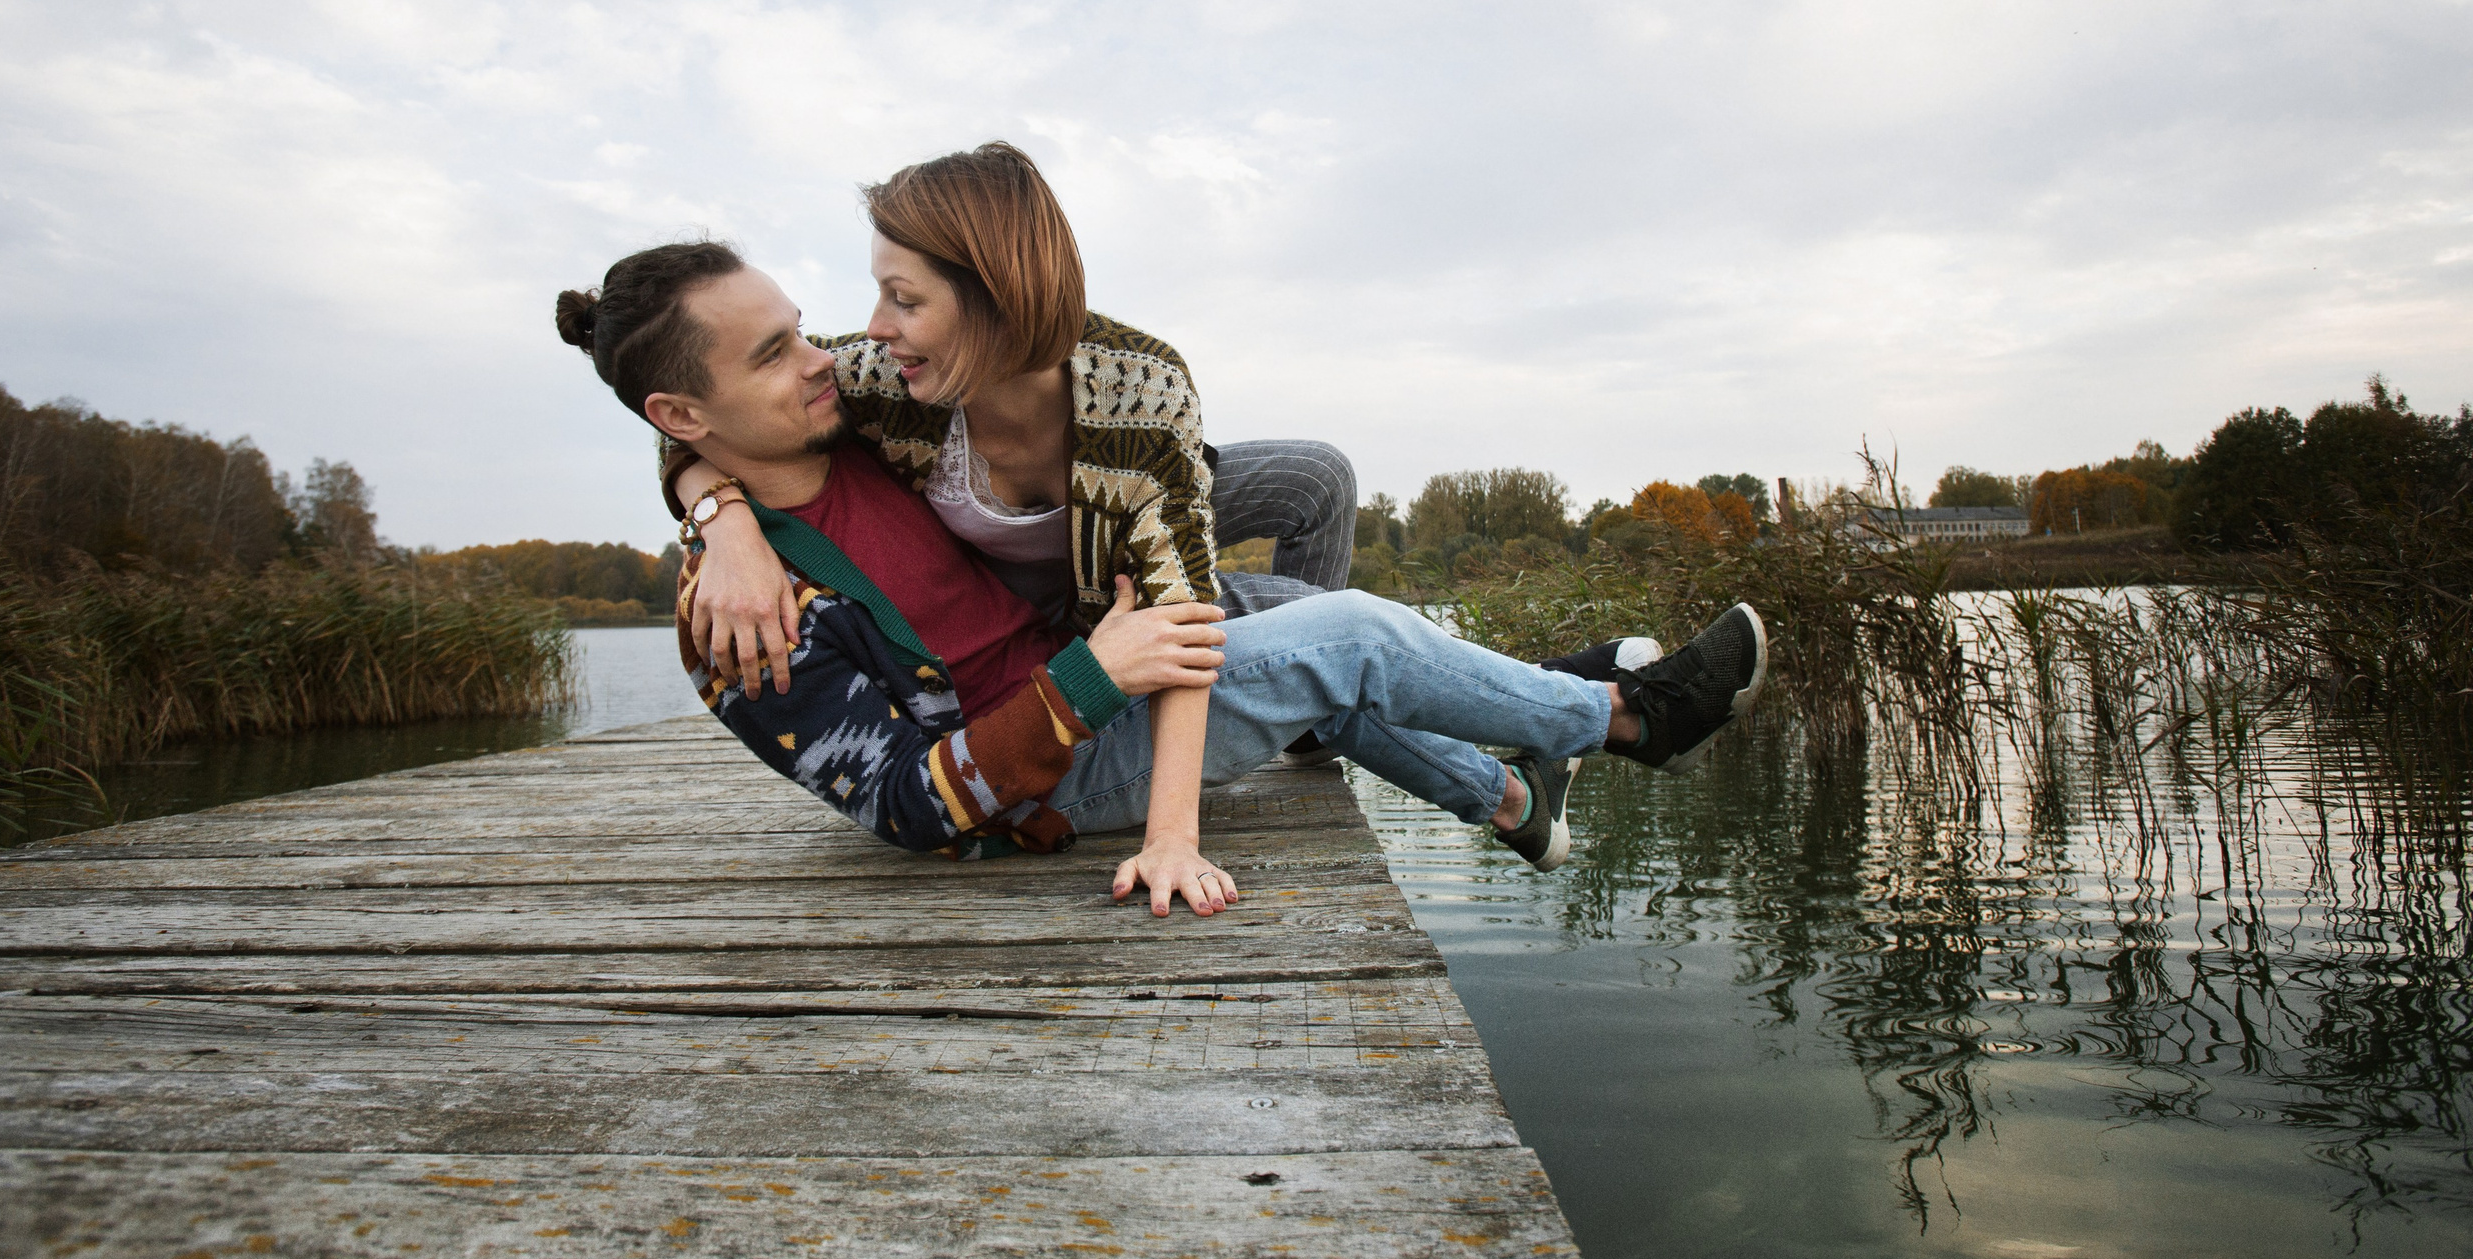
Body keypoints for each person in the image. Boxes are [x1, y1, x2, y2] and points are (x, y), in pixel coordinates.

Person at [555, 243, 1771, 918]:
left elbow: (717, 436)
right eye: (777, 354)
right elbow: (908, 813)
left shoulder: (840, 419)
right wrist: (1092, 678)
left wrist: (713, 502)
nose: (827, 358)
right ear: (682, 408)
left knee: (1324, 645)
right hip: (1063, 764)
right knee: (1344, 639)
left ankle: (1513, 805)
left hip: (1088, 650)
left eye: (807, 327)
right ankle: (1625, 717)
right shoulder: (740, 632)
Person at [661, 141, 1355, 822]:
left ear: (994, 297)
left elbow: (1180, 600)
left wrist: (1175, 832)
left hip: (1115, 514)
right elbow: (698, 407)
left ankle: (1316, 729)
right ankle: (1323, 706)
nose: (875, 326)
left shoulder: (1137, 381)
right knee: (1297, 612)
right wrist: (722, 516)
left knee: (1318, 479)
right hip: (1048, 604)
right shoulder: (887, 373)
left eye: (902, 298)